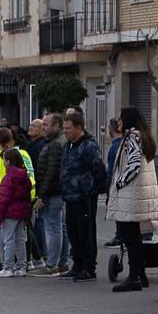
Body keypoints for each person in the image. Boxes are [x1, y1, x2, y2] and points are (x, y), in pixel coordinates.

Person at [107, 107, 158, 292]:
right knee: (134, 237)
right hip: (136, 193)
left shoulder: (133, 137)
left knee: (130, 237)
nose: (118, 122)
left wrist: (119, 182)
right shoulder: (143, 136)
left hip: (130, 194)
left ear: (128, 120)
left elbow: (133, 164)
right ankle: (140, 276)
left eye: (120, 118)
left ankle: (134, 278)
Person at [61, 112, 105, 282]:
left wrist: (95, 189)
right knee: (73, 232)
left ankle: (89, 267)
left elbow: (99, 168)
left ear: (79, 128)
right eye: (64, 128)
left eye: (68, 128)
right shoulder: (68, 146)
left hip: (84, 196)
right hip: (70, 196)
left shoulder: (88, 146)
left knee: (85, 232)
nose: (65, 131)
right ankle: (77, 264)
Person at [29, 113, 71, 276]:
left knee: (54, 228)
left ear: (57, 126)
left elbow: (52, 172)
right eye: (43, 125)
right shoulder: (56, 142)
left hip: (53, 193)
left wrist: (42, 196)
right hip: (57, 192)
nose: (44, 128)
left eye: (47, 125)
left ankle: (52, 264)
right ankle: (61, 262)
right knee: (60, 228)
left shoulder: (56, 144)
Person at [0, 148, 32, 278]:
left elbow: (4, 199)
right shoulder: (24, 175)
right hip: (22, 212)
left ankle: (8, 267)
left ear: (7, 161)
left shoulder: (8, 177)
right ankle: (22, 267)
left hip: (9, 212)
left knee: (8, 239)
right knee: (20, 239)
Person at [104, 118, 125, 247]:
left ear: (111, 129)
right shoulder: (123, 144)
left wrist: (109, 185)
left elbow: (112, 170)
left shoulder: (114, 147)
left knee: (117, 210)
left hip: (115, 183)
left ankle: (119, 236)